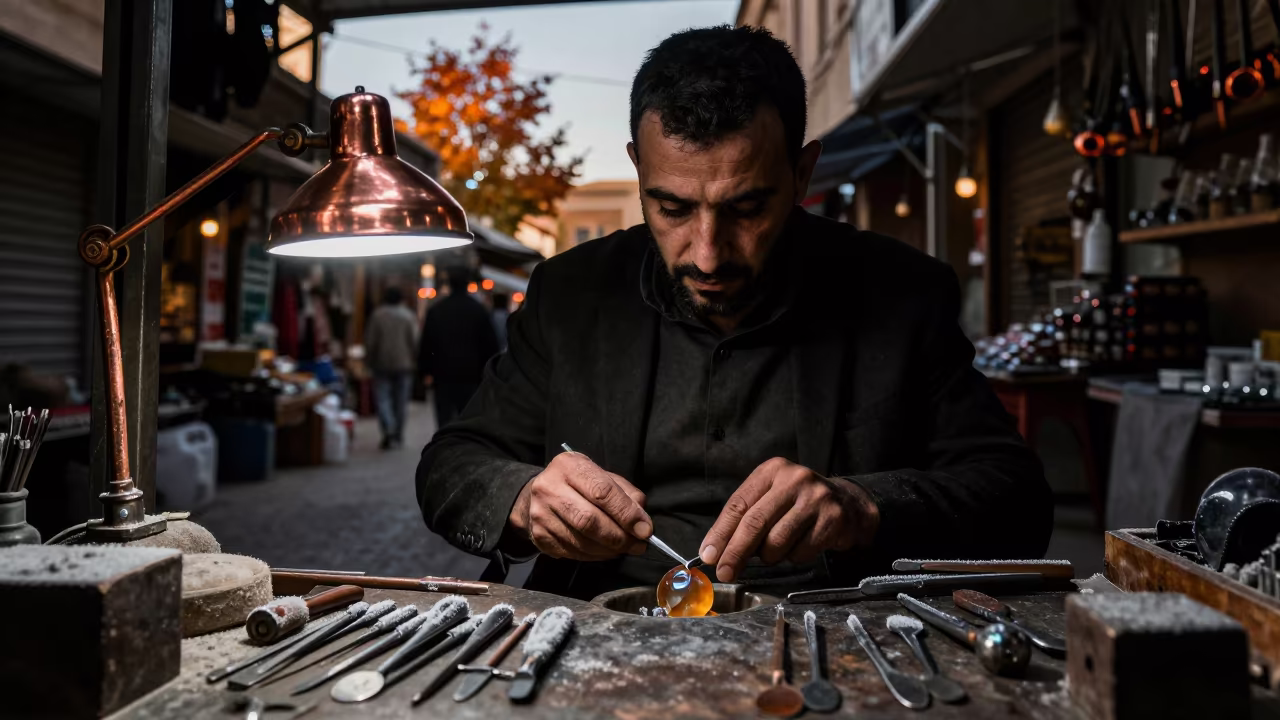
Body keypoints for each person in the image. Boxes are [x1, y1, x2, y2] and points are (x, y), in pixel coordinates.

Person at [417, 26, 1051, 599]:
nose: (708, 255)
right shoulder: (570, 293)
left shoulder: (901, 292)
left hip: (829, 628)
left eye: (746, 209)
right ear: (638, 170)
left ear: (803, 174)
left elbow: (1018, 503)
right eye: (671, 208)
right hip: (604, 621)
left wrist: (862, 507)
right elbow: (453, 463)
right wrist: (525, 499)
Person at [418, 267, 501, 430]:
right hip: (471, 374)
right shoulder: (478, 310)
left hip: (442, 374)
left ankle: (444, 450)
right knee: (468, 420)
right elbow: (490, 345)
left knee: (444, 421)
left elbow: (426, 342)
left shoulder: (437, 310)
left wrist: (424, 371)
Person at [364, 286, 418, 449]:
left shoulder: (377, 315)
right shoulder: (408, 316)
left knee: (383, 398)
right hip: (404, 364)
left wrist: (369, 360)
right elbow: (415, 341)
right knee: (401, 401)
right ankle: (398, 433)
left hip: (381, 363)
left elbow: (371, 341)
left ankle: (388, 428)